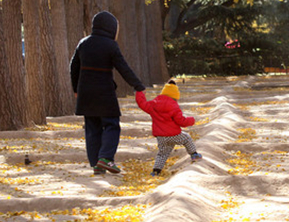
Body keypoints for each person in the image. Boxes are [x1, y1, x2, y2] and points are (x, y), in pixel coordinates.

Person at [70, 11, 145, 176]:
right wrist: (137, 85)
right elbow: (123, 68)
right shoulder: (110, 45)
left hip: (86, 94)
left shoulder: (83, 43)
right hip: (104, 93)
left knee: (92, 127)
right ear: (111, 28)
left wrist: (76, 89)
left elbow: (73, 67)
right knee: (111, 125)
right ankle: (105, 158)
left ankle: (96, 163)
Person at [136, 80, 202, 176]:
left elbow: (142, 104)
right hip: (174, 135)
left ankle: (156, 171)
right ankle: (194, 154)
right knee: (187, 138)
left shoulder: (153, 103)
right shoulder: (174, 106)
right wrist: (191, 120)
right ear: (175, 96)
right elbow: (181, 121)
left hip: (161, 137)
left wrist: (140, 93)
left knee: (162, 154)